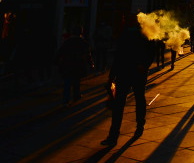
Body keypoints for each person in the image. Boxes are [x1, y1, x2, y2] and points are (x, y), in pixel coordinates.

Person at [101, 13, 155, 147]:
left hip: (125, 72)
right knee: (138, 99)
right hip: (135, 73)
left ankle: (113, 135)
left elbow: (118, 57)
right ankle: (139, 125)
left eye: (125, 20)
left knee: (119, 104)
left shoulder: (126, 35)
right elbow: (151, 53)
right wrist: (144, 65)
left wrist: (111, 77)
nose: (123, 21)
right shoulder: (142, 35)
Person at [55, 25, 93, 104]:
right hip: (78, 64)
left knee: (67, 82)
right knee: (76, 80)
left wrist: (57, 62)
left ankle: (66, 100)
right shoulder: (83, 42)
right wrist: (91, 63)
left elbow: (60, 52)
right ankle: (76, 95)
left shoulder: (67, 41)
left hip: (67, 64)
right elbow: (87, 54)